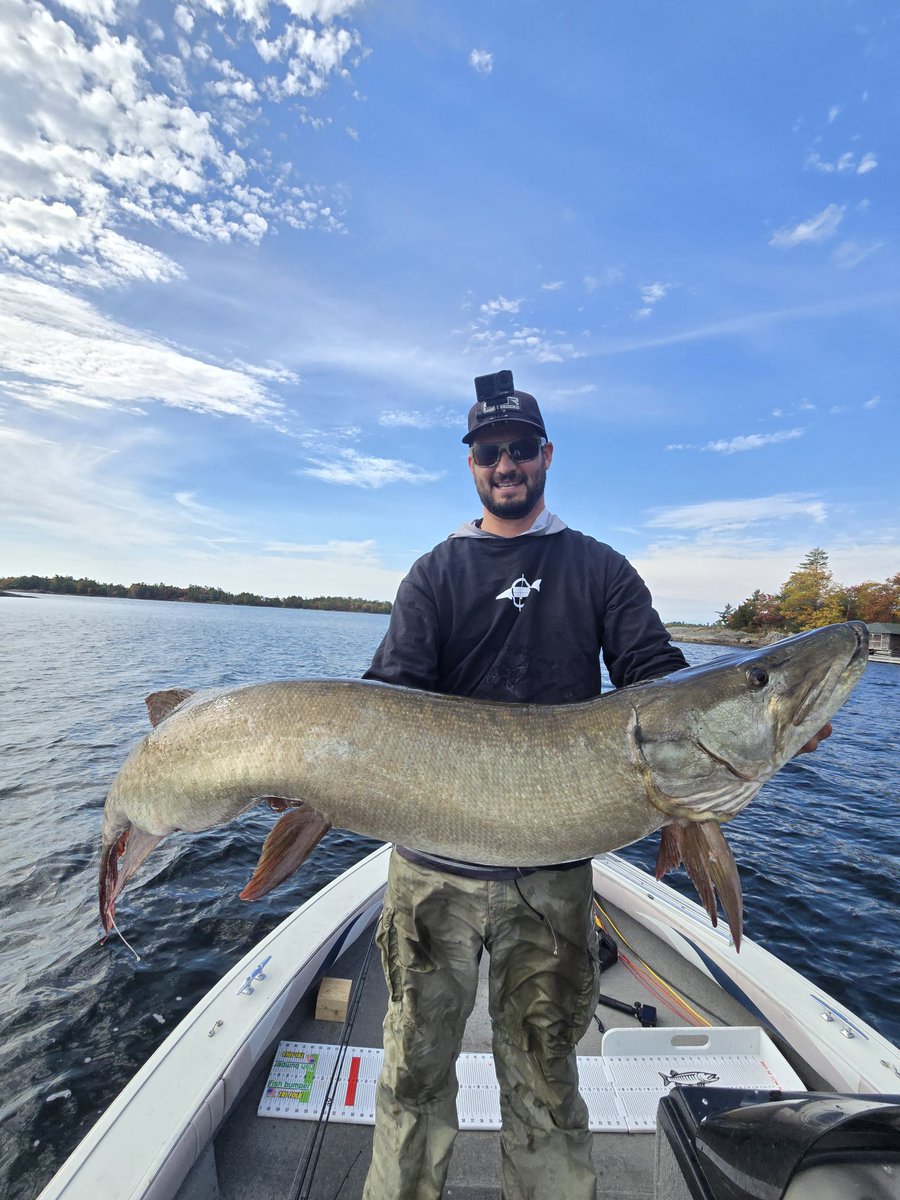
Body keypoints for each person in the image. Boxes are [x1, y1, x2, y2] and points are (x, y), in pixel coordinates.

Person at [360, 373, 828, 1200]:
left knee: (544, 1087)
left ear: (545, 455)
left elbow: (663, 687)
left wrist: (763, 728)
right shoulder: (434, 573)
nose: (505, 463)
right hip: (432, 874)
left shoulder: (599, 570)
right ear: (472, 465)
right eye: (488, 451)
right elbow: (387, 703)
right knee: (411, 1079)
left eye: (519, 448)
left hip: (552, 879)